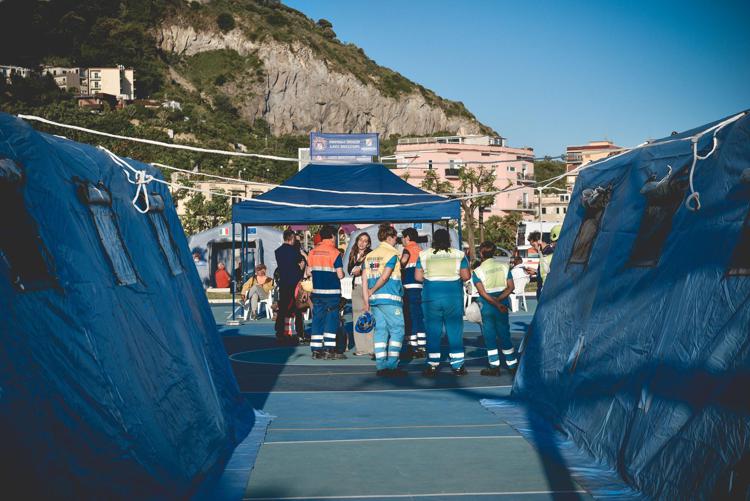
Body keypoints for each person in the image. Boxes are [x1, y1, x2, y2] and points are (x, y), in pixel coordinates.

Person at [414, 229, 471, 376]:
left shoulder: (424, 254)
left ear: (433, 240)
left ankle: (432, 365)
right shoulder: (459, 254)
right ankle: (458, 366)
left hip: (431, 296)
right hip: (452, 296)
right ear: (449, 240)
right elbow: (466, 276)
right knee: (455, 330)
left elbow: (418, 277)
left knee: (432, 330)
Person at [362, 224, 406, 377]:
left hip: (375, 301)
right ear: (389, 237)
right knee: (397, 330)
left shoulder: (369, 256)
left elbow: (365, 280)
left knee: (380, 331)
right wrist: (373, 290)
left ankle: (381, 366)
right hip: (390, 298)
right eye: (395, 238)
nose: (397, 241)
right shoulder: (391, 254)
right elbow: (386, 275)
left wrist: (367, 299)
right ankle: (392, 365)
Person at [472, 241, 519, 376]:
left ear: (481, 253)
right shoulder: (504, 267)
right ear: (494, 252)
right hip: (502, 304)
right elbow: (511, 287)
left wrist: (494, 303)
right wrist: (499, 302)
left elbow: (482, 293)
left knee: (490, 336)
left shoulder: (478, 271)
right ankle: (512, 364)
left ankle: (494, 367)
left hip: (487, 306)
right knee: (504, 334)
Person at [307, 225, 346, 359]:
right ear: (331, 236)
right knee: (331, 319)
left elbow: (308, 272)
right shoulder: (334, 252)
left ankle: (316, 349)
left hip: (317, 292)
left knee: (317, 319)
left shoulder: (312, 252)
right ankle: (329, 349)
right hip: (332, 293)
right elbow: (340, 275)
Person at [275, 229, 305, 344]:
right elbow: (300, 264)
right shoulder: (294, 251)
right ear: (292, 238)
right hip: (295, 282)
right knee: (298, 309)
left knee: (282, 309)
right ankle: (300, 333)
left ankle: (280, 333)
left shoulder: (278, 251)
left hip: (284, 282)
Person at [400, 227, 426, 358]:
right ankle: (421, 345)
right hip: (420, 287)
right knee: (419, 316)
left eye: (403, 238)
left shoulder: (407, 249)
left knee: (409, 316)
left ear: (407, 238)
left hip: (409, 288)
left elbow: (402, 262)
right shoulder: (421, 251)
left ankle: (411, 345)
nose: (402, 240)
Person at [347, 232, 373, 357]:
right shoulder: (353, 253)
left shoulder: (371, 254)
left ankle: (371, 347)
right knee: (357, 317)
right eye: (360, 240)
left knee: (369, 316)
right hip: (356, 287)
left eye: (365, 241)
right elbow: (349, 269)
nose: (362, 243)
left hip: (368, 287)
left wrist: (361, 270)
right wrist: (356, 270)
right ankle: (360, 348)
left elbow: (372, 269)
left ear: (368, 244)